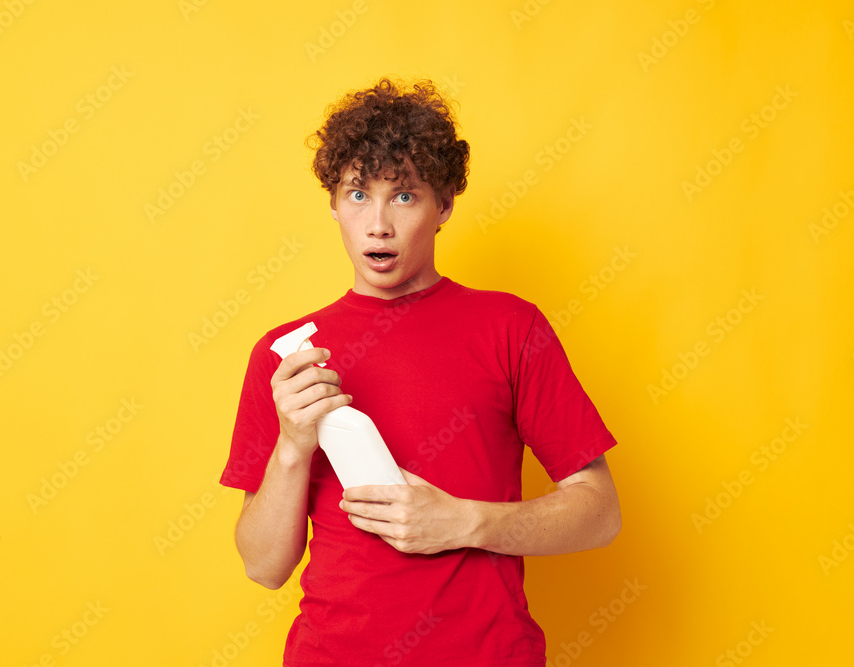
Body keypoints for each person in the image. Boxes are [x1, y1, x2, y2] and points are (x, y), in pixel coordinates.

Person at [219, 77, 621, 667]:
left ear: (445, 206)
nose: (378, 224)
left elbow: (599, 511)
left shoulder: (511, 327)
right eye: (358, 195)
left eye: (403, 196)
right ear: (333, 204)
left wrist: (464, 522)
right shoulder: (286, 358)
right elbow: (263, 567)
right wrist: (291, 445)